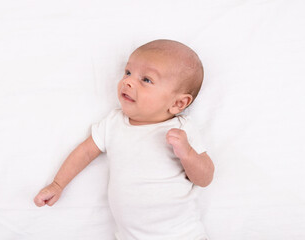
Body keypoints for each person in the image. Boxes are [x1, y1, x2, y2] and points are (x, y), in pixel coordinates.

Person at [34, 39, 214, 240]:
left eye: (146, 79)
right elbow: (85, 152)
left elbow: (204, 178)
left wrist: (187, 154)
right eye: (128, 72)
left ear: (178, 103)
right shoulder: (113, 123)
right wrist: (58, 184)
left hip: (181, 234)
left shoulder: (182, 130)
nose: (128, 81)